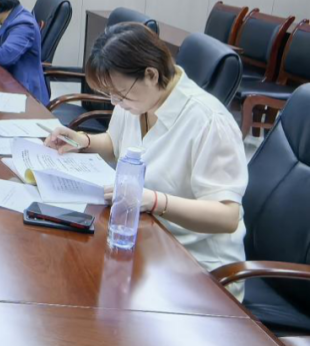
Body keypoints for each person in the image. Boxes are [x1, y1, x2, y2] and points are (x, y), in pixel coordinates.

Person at [44, 23, 248, 297]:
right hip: (144, 241)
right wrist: (83, 141)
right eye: (110, 94)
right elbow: (116, 145)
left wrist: (154, 200)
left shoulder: (209, 121)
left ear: (151, 74)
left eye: (120, 94)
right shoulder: (137, 100)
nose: (115, 102)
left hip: (197, 265)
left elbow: (227, 216)